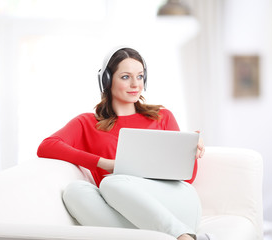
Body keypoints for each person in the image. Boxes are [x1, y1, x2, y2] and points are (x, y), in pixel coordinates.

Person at [37, 47, 214, 240]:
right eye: (125, 77)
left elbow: (187, 179)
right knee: (74, 192)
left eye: (139, 76)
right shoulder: (87, 123)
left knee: (112, 181)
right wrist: (102, 162)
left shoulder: (162, 116)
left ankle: (182, 235)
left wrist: (190, 153)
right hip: (130, 213)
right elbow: (47, 146)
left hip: (178, 205)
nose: (135, 84)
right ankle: (167, 236)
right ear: (106, 80)